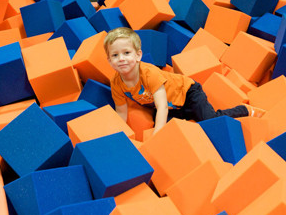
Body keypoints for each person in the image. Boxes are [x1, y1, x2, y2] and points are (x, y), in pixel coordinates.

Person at [104, 27, 265, 135]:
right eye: (115, 55)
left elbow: (161, 106)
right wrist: (120, 135)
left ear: (138, 55)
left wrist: (156, 135)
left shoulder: (148, 73)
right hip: (173, 106)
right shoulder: (116, 83)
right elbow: (121, 111)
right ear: (109, 61)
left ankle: (243, 110)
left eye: (126, 53)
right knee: (175, 130)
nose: (121, 59)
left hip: (188, 92)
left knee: (209, 121)